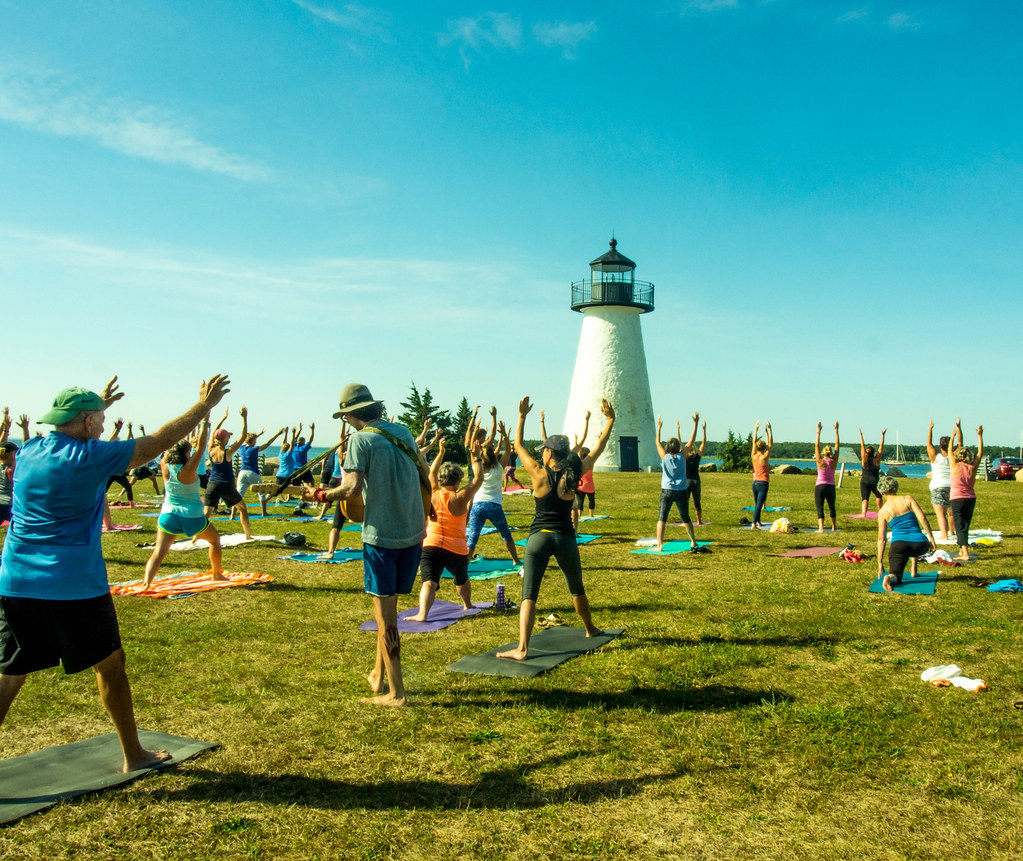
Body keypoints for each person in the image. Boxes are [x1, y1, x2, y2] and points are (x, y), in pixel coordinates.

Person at [0, 373, 229, 772]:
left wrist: (98, 406)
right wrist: (204, 408)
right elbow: (158, 442)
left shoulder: (31, 449)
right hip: (73, 584)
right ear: (88, 422)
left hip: (16, 579)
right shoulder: (92, 457)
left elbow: (79, 444)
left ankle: (134, 753)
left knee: (10, 673)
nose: (104, 425)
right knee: (110, 664)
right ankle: (133, 755)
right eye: (100, 420)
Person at [307, 383, 426, 706]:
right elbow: (424, 472)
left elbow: (350, 489)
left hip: (382, 537)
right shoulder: (402, 430)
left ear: (350, 417)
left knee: (386, 617)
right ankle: (378, 675)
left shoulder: (360, 440)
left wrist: (319, 495)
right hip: (414, 531)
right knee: (386, 607)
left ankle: (396, 693)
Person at [497, 397, 614, 662]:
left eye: (544, 450)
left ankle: (523, 649)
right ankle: (590, 629)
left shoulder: (537, 472)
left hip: (538, 538)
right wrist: (610, 421)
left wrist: (521, 416)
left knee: (529, 594)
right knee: (577, 588)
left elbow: (516, 445)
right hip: (564, 538)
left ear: (550, 452)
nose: (541, 453)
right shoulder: (575, 471)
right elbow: (598, 448)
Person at [407, 437, 484, 622]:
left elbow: (432, 472)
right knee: (461, 578)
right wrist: (477, 458)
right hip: (456, 548)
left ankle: (422, 614)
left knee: (429, 581)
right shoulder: (460, 497)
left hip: (430, 544)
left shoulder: (433, 493)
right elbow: (479, 480)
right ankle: (467, 605)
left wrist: (440, 453)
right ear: (457, 480)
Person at [143, 419, 226, 588]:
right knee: (215, 541)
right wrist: (204, 423)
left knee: (158, 552)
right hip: (192, 515)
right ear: (186, 454)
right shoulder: (189, 468)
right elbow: (202, 446)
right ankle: (216, 575)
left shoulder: (164, 465)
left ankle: (146, 583)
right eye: (189, 451)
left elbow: (169, 448)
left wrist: (179, 432)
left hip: (168, 515)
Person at [876, 475, 936, 591]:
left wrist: (880, 562)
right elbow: (922, 518)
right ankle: (914, 570)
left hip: (899, 545)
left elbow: (881, 539)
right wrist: (931, 538)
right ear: (895, 488)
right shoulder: (908, 499)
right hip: (920, 545)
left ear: (882, 493)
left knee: (896, 575)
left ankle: (890, 577)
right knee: (913, 536)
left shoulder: (883, 511)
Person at [203, 406, 253, 539]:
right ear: (223, 439)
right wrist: (244, 418)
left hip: (212, 484)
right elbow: (242, 437)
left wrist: (223, 419)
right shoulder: (228, 452)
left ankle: (195, 538)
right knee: (243, 509)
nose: (229, 439)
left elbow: (213, 432)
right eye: (227, 437)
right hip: (226, 485)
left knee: (207, 514)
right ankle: (248, 536)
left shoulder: (211, 449)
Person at [654, 415, 697, 552]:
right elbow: (691, 441)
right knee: (685, 517)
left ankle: (660, 545)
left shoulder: (664, 456)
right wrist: (695, 424)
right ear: (678, 447)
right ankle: (693, 541)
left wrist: (659, 427)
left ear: (668, 447)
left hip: (666, 490)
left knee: (662, 518)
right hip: (681, 490)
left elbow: (657, 443)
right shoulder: (682, 455)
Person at [948, 418, 983, 562]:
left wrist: (953, 436)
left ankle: (965, 553)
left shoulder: (954, 466)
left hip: (957, 498)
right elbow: (980, 452)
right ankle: (962, 549)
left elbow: (949, 450)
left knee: (959, 525)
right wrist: (980, 435)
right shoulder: (972, 468)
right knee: (965, 525)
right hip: (970, 498)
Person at [234, 425, 284, 517]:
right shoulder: (254, 449)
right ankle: (263, 512)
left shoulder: (242, 448)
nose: (256, 442)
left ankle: (232, 515)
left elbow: (249, 440)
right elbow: (268, 443)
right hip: (252, 473)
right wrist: (277, 434)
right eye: (255, 440)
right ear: (252, 441)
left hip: (241, 473)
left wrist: (259, 434)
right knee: (262, 492)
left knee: (238, 496)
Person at [926, 419, 955, 541]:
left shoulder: (935, 457)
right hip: (952, 486)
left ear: (940, 446)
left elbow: (928, 443)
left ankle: (944, 534)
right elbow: (961, 442)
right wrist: (957, 432)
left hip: (937, 486)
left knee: (940, 514)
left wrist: (930, 428)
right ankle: (952, 532)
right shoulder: (954, 457)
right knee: (951, 513)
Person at [681, 412, 707, 526]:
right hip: (696, 481)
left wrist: (678, 429)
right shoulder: (697, 457)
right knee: (697, 502)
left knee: (685, 502)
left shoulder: (685, 457)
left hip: (686, 481)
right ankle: (699, 521)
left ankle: (685, 520)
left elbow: (681, 444)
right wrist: (704, 430)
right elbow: (704, 444)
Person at [814, 421, 840, 532]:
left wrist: (818, 431)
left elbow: (816, 445)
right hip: (831, 486)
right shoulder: (834, 461)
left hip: (820, 486)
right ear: (830, 452)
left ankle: (821, 528)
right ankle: (834, 527)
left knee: (820, 507)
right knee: (831, 507)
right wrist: (836, 431)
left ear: (823, 453)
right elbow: (837, 446)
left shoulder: (820, 461)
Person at [858, 427, 886, 516]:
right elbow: (881, 447)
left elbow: (862, 446)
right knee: (878, 496)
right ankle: (880, 511)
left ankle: (863, 513)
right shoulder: (876, 460)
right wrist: (883, 435)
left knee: (865, 498)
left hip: (864, 481)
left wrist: (861, 435)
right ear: (874, 452)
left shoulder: (864, 460)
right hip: (875, 481)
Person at [750, 420, 772, 529]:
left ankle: (758, 522)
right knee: (759, 505)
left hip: (755, 483)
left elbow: (754, 442)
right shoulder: (764, 457)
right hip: (763, 482)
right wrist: (769, 431)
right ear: (764, 448)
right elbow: (770, 444)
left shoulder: (754, 456)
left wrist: (756, 429)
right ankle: (754, 524)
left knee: (757, 503)